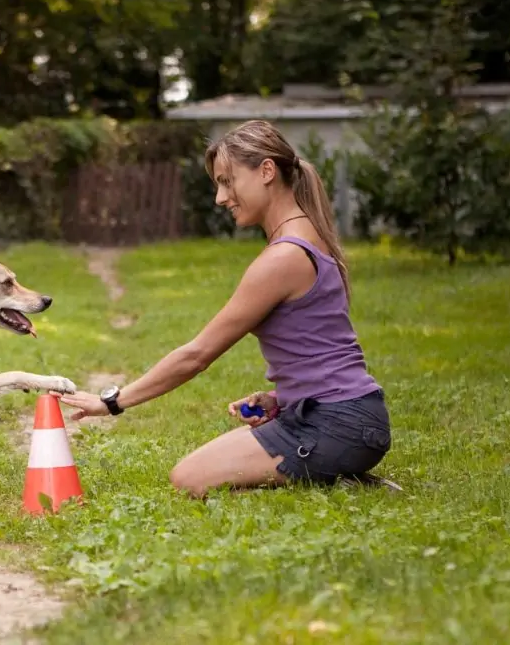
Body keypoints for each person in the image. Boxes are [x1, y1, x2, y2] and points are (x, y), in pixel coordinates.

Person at [54, 119, 392, 497]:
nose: (220, 197)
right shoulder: (306, 238)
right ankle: (336, 471)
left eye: (228, 181)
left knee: (190, 479)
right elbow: (321, 346)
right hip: (342, 414)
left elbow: (197, 355)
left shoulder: (284, 257)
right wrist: (283, 400)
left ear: (267, 171)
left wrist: (113, 403)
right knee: (196, 473)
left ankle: (334, 478)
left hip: (338, 423)